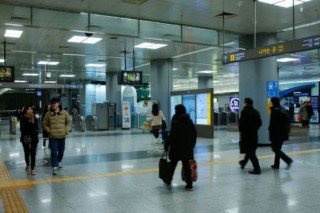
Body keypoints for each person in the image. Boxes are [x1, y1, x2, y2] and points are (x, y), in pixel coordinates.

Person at [164, 104, 197, 191]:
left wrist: (167, 145)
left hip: (176, 148)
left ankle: (168, 180)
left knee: (173, 164)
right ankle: (189, 185)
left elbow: (172, 135)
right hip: (187, 148)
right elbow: (194, 134)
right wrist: (192, 145)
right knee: (186, 166)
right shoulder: (189, 121)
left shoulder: (175, 121)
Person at [43, 97, 71, 175]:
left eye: (54, 103)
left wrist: (66, 130)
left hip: (62, 136)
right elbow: (44, 124)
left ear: (58, 103)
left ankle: (58, 162)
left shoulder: (64, 113)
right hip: (53, 137)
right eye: (51, 103)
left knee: (61, 152)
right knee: (54, 152)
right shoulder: (48, 114)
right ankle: (54, 167)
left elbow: (68, 122)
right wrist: (49, 131)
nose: (52, 105)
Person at [238, 97, 262, 175]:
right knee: (250, 150)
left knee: (251, 152)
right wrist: (255, 129)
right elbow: (259, 123)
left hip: (246, 135)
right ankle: (243, 163)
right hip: (254, 134)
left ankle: (257, 169)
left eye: (243, 102)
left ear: (246, 103)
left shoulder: (244, 112)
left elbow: (241, 124)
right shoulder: (256, 112)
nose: (243, 104)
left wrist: (242, 131)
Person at [269, 97, 293, 170]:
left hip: (276, 133)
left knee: (275, 149)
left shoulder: (275, 110)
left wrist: (270, 129)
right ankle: (276, 165)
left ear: (272, 102)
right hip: (283, 132)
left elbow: (273, 122)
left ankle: (288, 160)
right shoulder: (282, 109)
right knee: (278, 149)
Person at [19, 104, 39, 176]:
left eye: (31, 109)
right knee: (27, 151)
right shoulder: (22, 118)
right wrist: (29, 122)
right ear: (25, 110)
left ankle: (33, 168)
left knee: (33, 152)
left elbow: (36, 126)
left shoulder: (35, 117)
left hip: (34, 136)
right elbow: (22, 129)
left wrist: (36, 131)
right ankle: (27, 164)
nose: (30, 110)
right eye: (28, 109)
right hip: (25, 136)